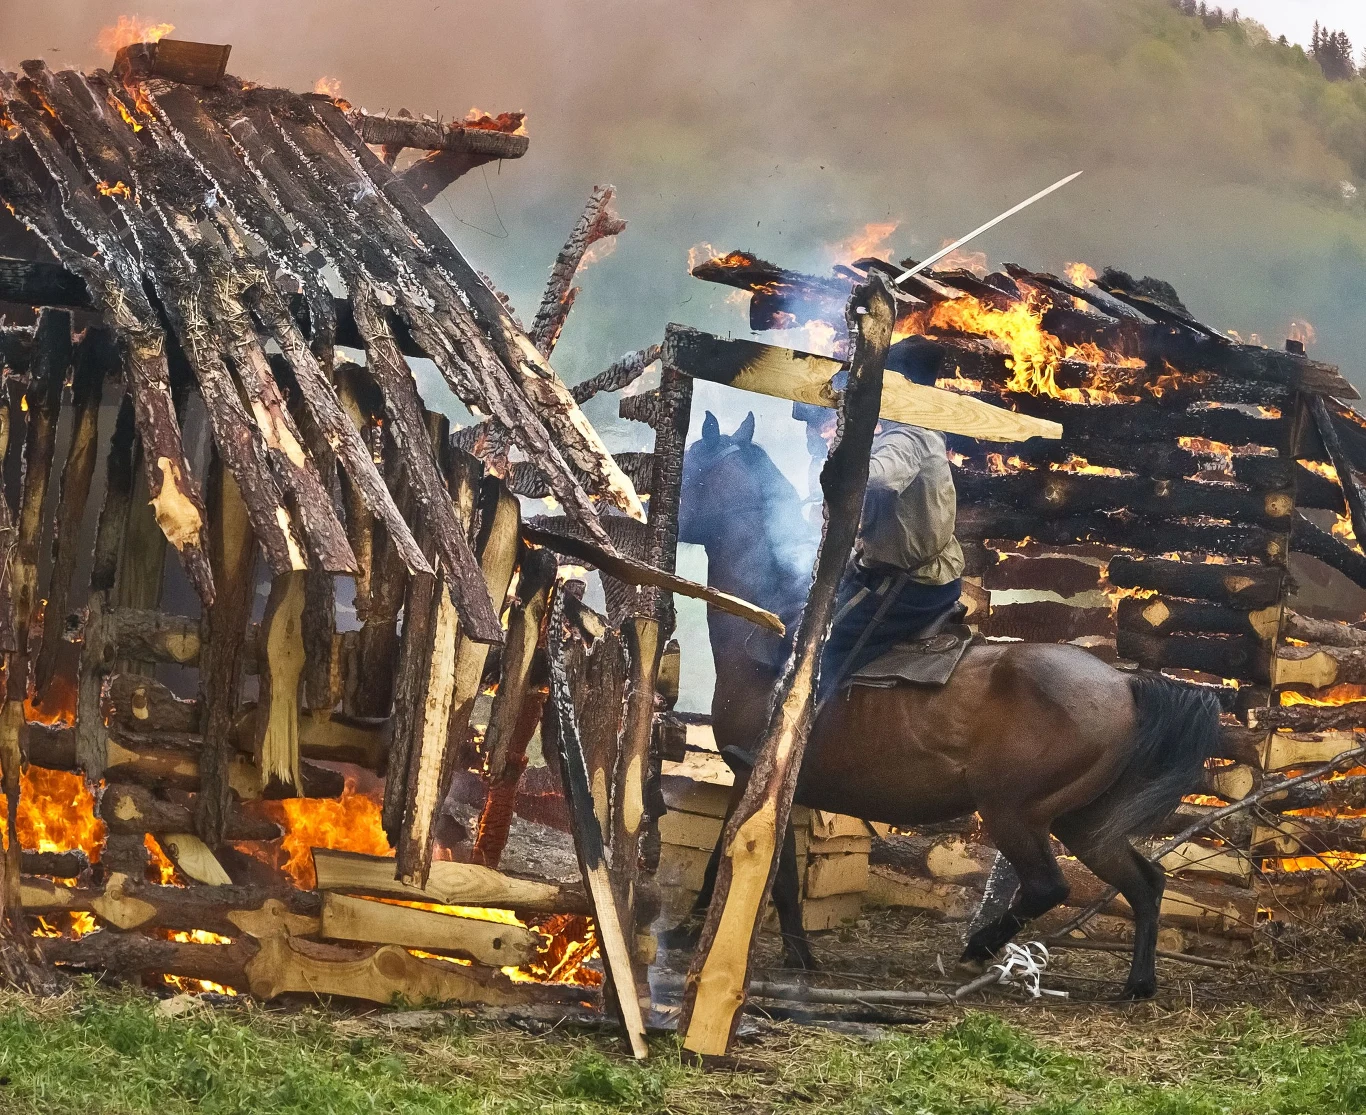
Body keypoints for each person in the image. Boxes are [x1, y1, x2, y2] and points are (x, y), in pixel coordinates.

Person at [818, 336, 965, 701]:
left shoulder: (908, 436)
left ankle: (813, 726)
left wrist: (840, 460)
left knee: (821, 645)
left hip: (912, 584)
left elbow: (880, 475)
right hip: (896, 574)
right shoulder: (919, 431)